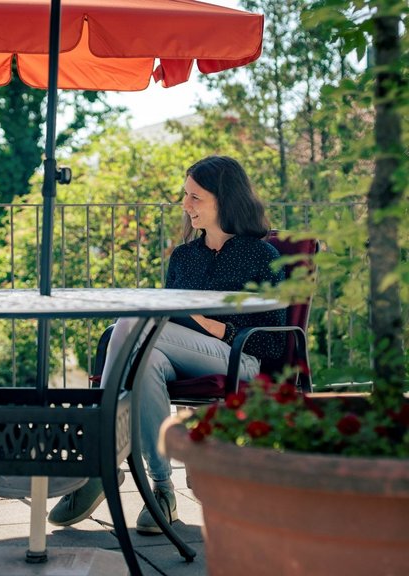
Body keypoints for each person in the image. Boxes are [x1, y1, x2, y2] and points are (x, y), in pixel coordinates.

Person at [46, 155, 286, 533]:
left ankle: (98, 461)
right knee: (146, 362)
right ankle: (162, 490)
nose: (185, 205)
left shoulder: (261, 255)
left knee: (131, 322)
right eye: (185, 195)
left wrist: (212, 325)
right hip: (179, 354)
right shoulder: (185, 256)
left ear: (225, 198)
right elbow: (167, 319)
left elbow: (274, 338)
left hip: (241, 358)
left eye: (195, 197)